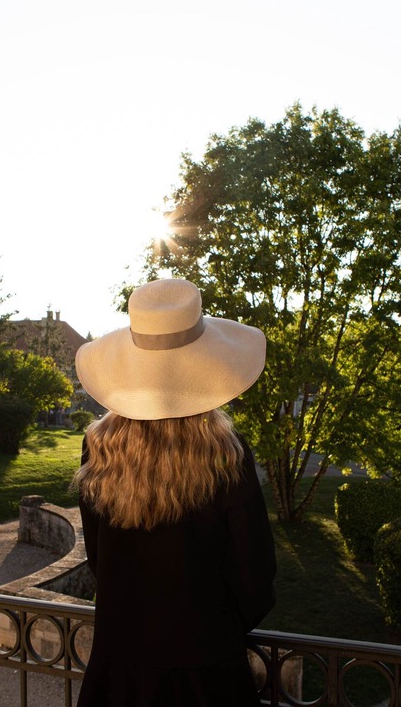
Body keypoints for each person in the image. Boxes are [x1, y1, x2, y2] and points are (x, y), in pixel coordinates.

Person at [72, 278, 277, 707]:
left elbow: (98, 558)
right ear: (204, 364)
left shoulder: (99, 447)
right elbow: (254, 578)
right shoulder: (227, 457)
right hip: (207, 676)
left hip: (118, 672)